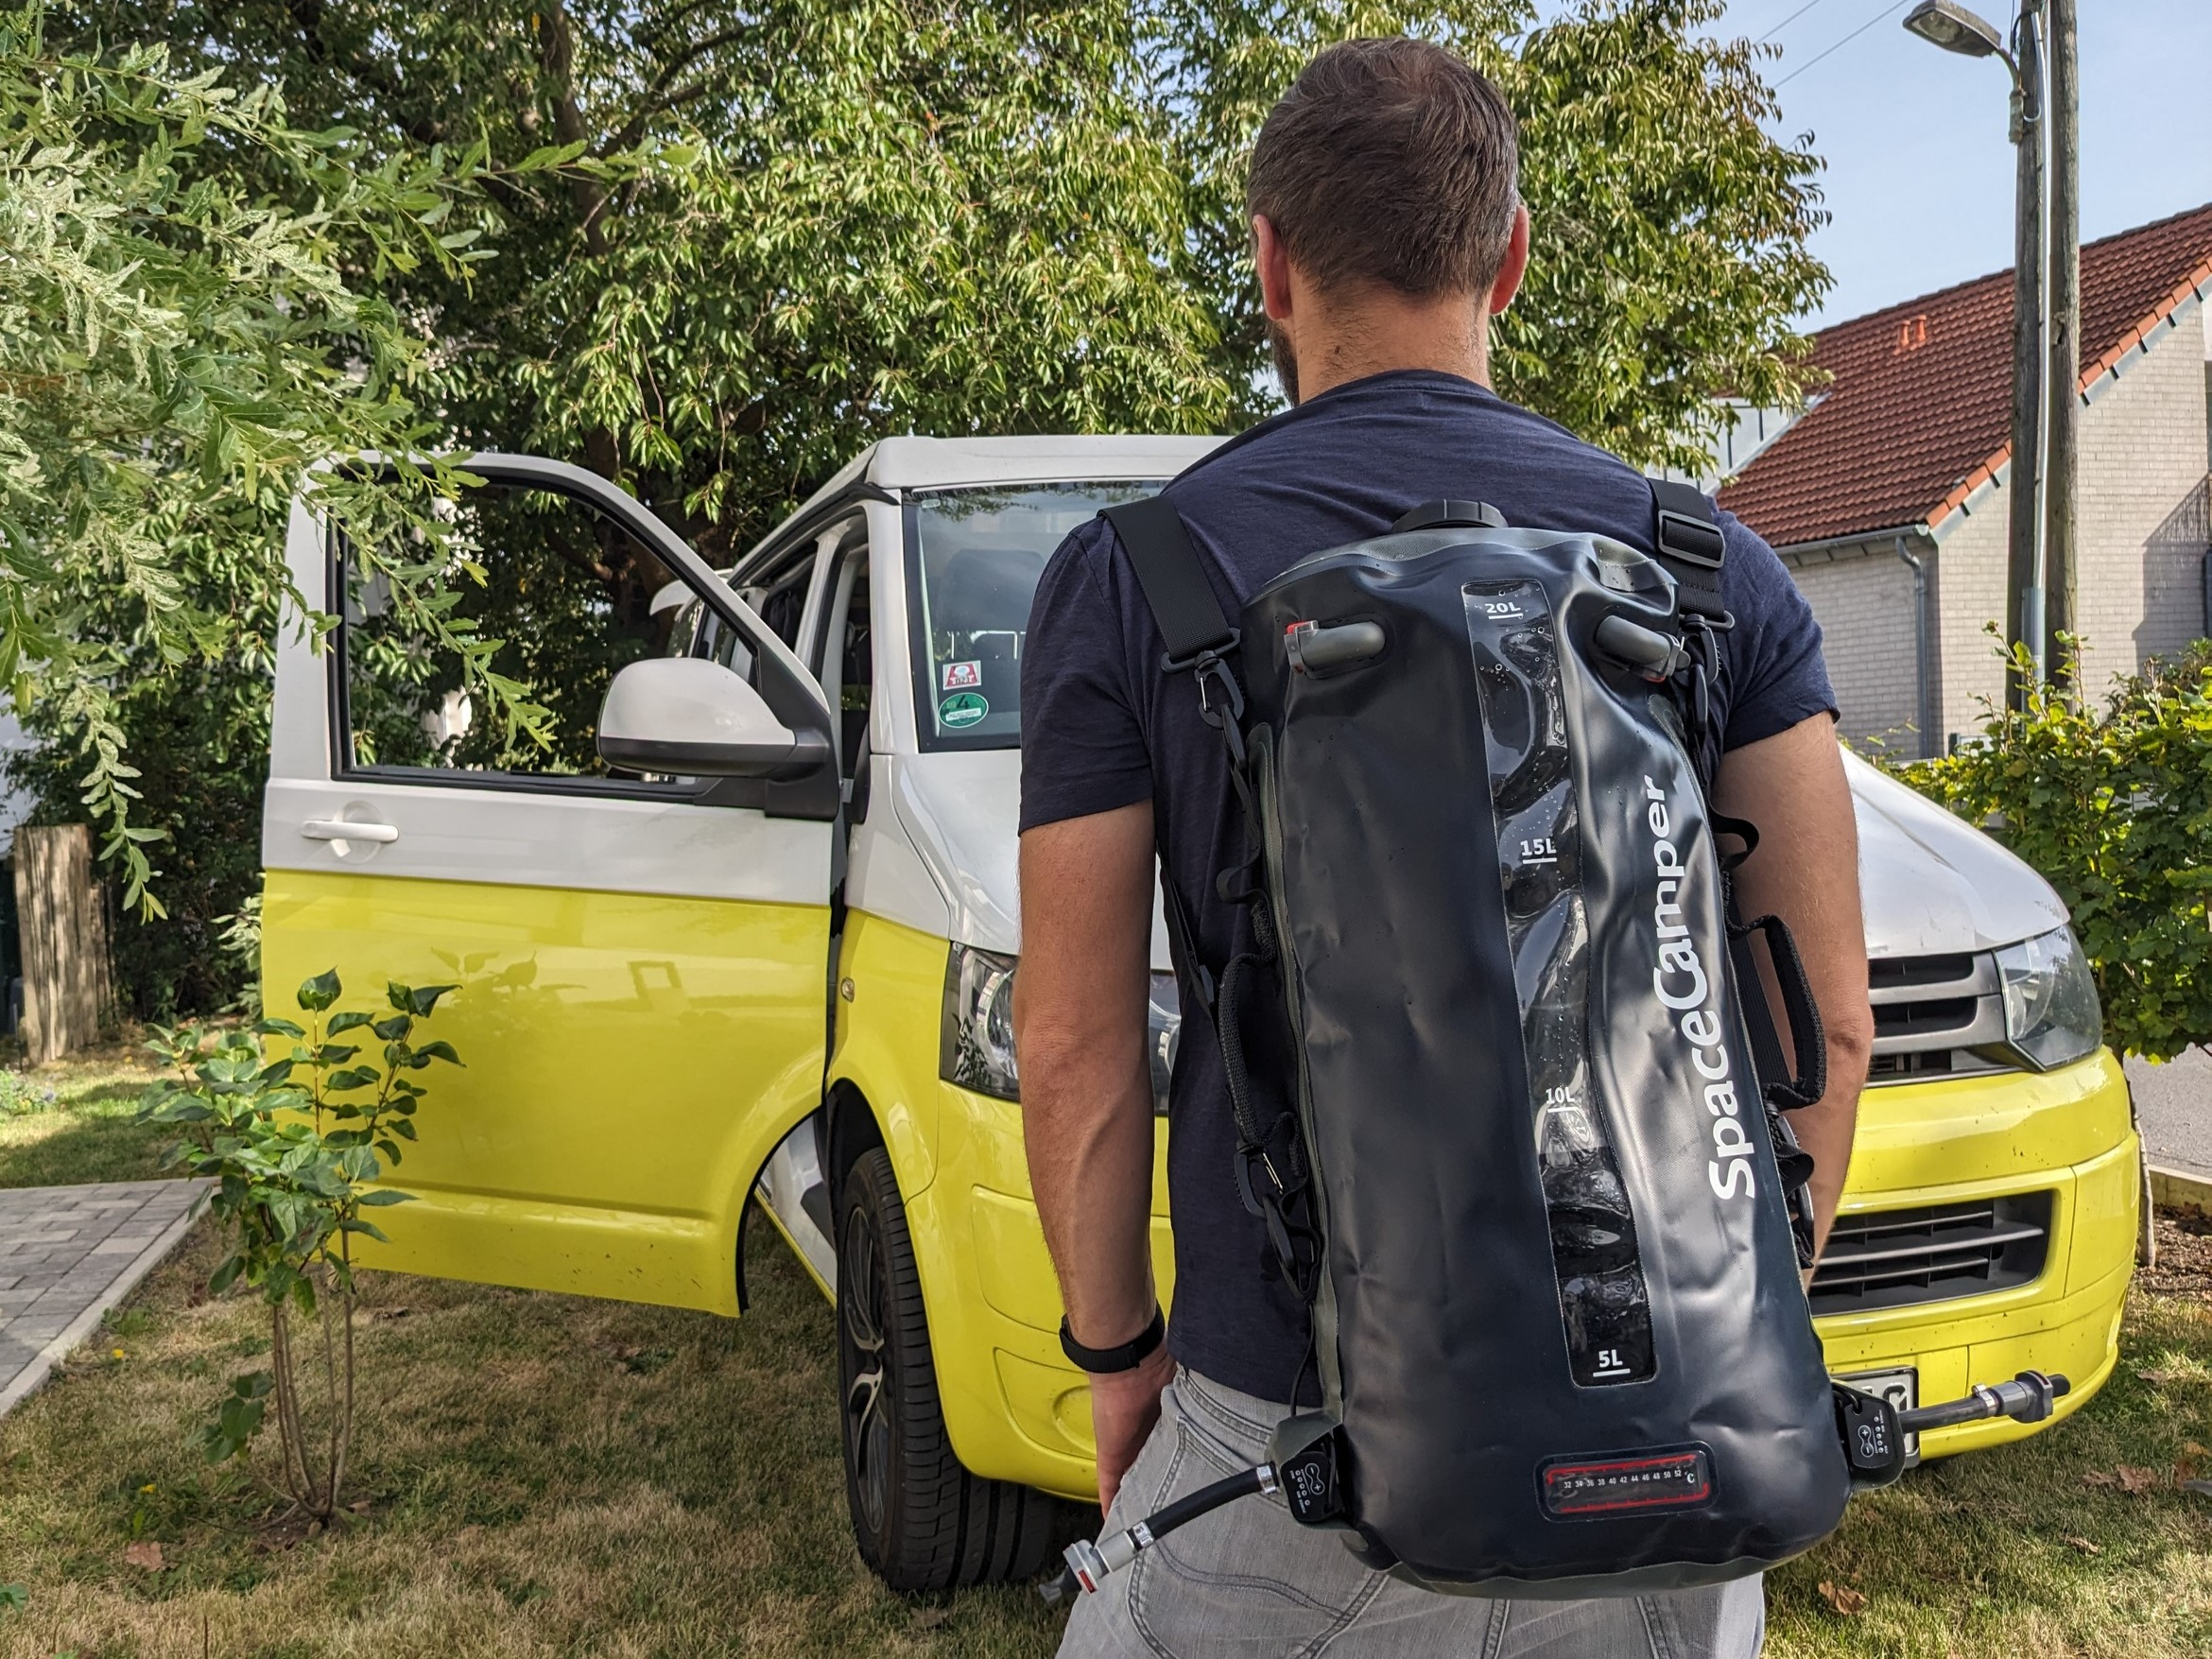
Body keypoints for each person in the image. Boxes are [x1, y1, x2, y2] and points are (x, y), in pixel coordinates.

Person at [1012, 36, 1874, 1659]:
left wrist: (1118, 1358)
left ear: (1271, 267)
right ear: (1512, 258)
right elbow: (1826, 1022)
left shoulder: (1136, 573)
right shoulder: (1711, 565)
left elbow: (1072, 1048)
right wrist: (1728, 1342)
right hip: (1672, 1441)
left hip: (1291, 1431)